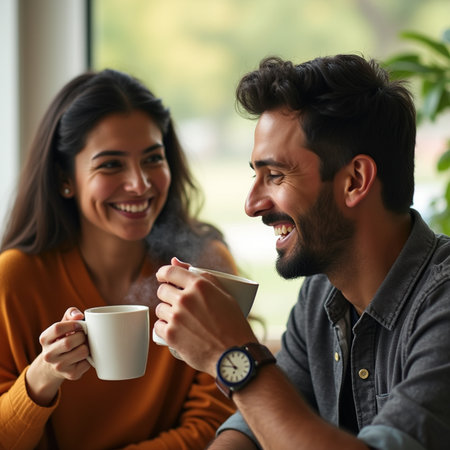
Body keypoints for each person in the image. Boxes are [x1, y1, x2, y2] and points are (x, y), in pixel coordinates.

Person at [154, 54, 450, 449]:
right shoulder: (320, 296)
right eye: (255, 174)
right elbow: (253, 430)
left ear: (354, 181)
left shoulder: (442, 305)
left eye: (275, 175)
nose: (251, 203)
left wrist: (234, 354)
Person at [0, 69, 237, 449]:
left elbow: (217, 422)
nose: (140, 184)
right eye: (111, 164)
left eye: (152, 159)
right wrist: (42, 377)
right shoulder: (16, 279)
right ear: (65, 177)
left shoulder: (203, 267)